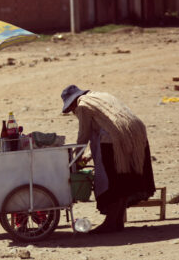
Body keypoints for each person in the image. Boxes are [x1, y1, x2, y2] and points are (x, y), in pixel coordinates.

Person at [61, 85, 156, 233]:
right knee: (124, 178)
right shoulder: (101, 96)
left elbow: (84, 136)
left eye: (71, 109)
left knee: (113, 181)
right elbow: (104, 127)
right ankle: (117, 221)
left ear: (73, 102)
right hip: (136, 132)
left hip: (116, 137)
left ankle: (110, 222)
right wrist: (87, 157)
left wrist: (73, 160)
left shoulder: (82, 106)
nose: (73, 112)